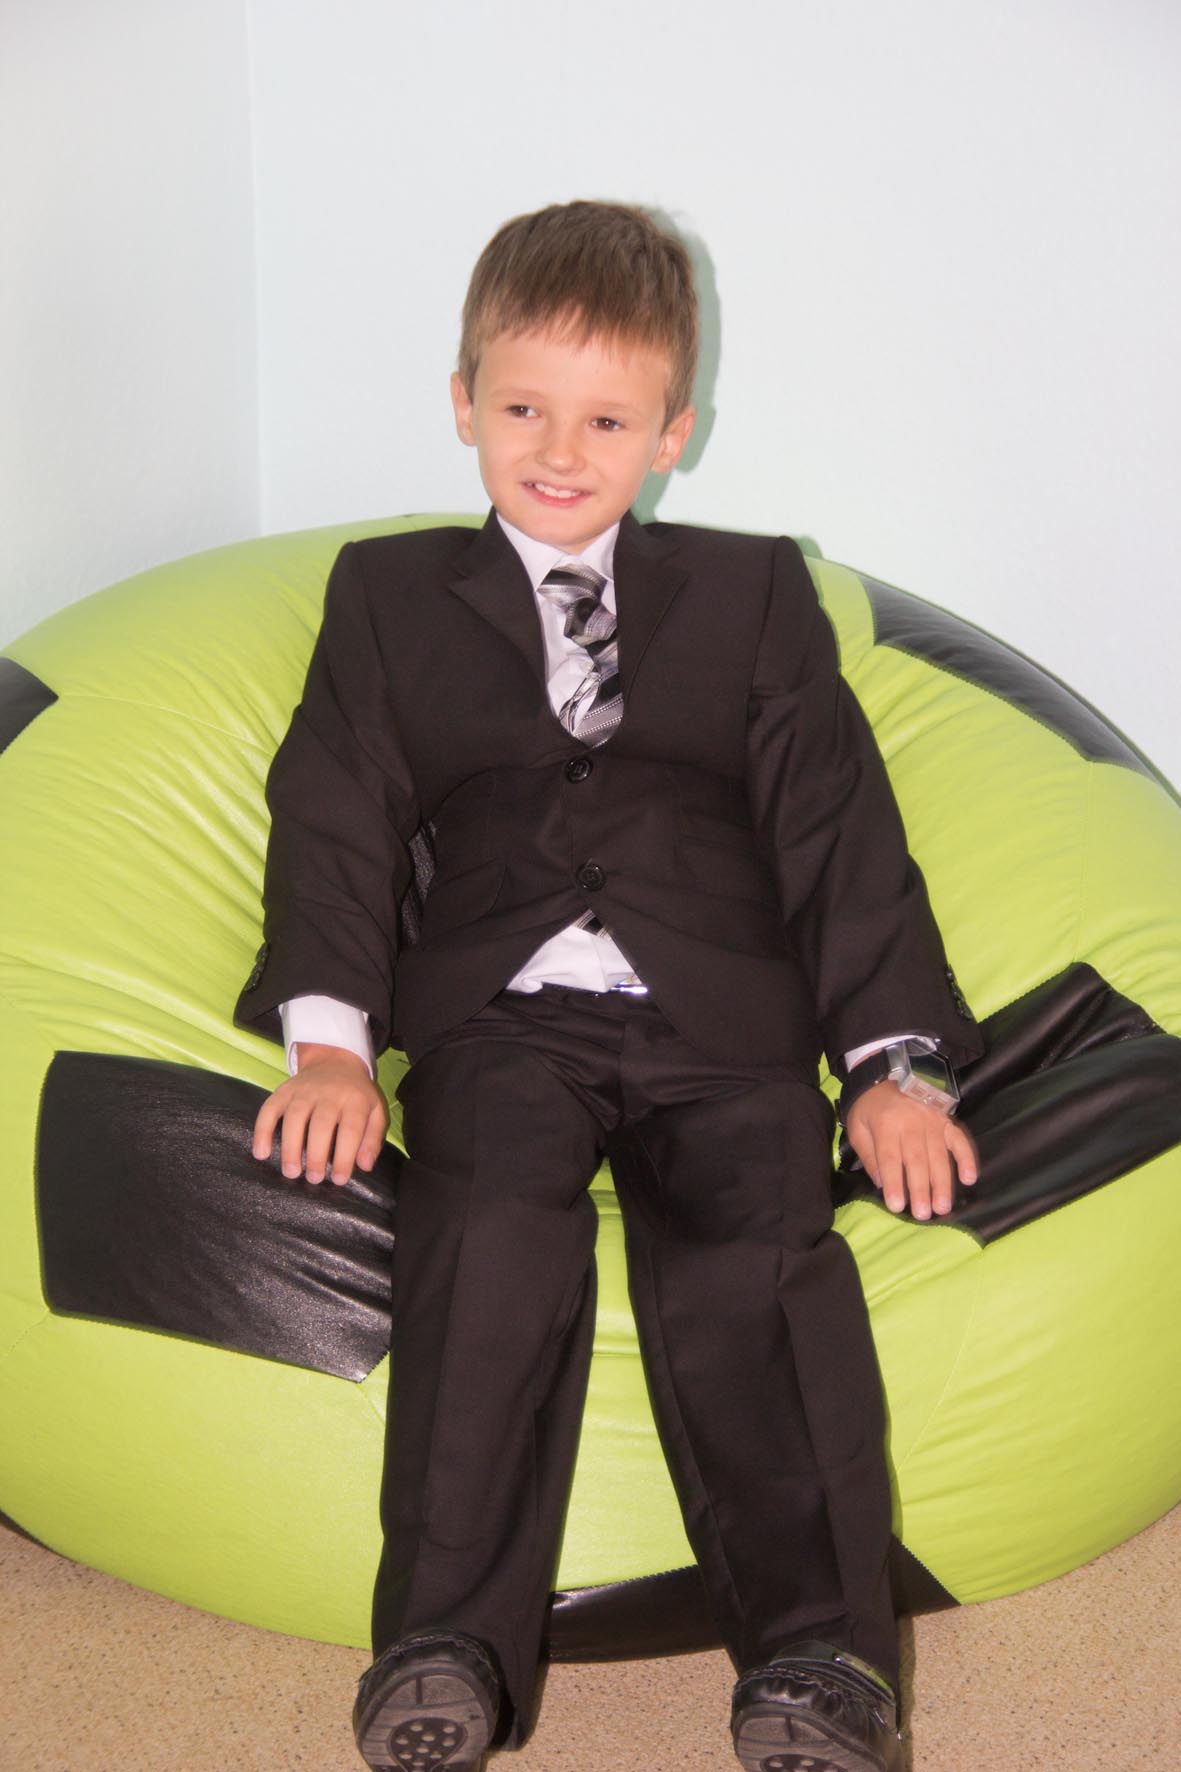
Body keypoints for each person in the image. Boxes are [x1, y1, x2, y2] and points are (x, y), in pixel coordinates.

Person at [236, 199, 983, 1772]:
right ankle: (442, 1644)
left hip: (723, 1024)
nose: (558, 451)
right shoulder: (386, 597)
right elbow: (335, 812)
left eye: (604, 420)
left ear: (671, 434)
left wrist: (894, 1068)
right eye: (522, 409)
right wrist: (329, 1046)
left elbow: (835, 828)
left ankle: (819, 1663)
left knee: (750, 1264)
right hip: (500, 1018)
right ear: (462, 403)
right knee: (484, 1235)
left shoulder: (754, 591)